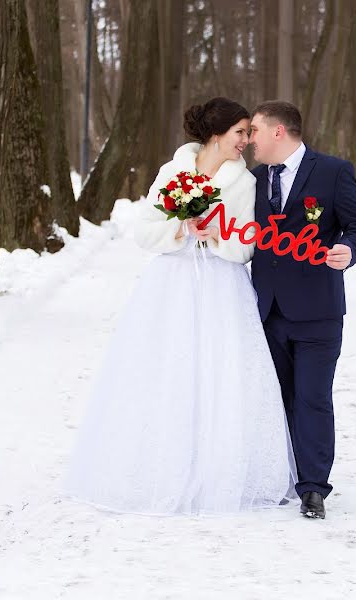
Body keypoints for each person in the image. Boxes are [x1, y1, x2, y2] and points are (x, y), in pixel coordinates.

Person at [64, 97, 296, 516]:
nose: (247, 140)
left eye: (249, 133)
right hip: (171, 284)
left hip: (221, 288)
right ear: (215, 134)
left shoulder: (245, 183)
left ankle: (219, 470)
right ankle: (161, 467)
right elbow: (145, 232)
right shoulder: (173, 173)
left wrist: (213, 235)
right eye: (240, 132)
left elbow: (245, 247)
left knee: (220, 372)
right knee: (167, 370)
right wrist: (181, 225)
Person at [248, 101, 356, 519]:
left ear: (278, 132)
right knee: (277, 398)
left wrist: (349, 249)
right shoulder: (253, 179)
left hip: (318, 309)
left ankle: (314, 487)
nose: (250, 140)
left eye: (255, 131)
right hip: (267, 309)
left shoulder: (333, 171)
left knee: (313, 398)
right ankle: (281, 473)